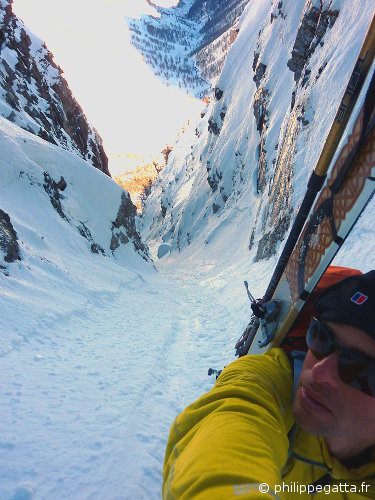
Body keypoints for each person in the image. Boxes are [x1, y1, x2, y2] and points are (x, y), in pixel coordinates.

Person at [163, 267, 375, 499]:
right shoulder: (273, 381)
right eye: (321, 337)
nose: (319, 372)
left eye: (359, 368)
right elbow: (234, 414)